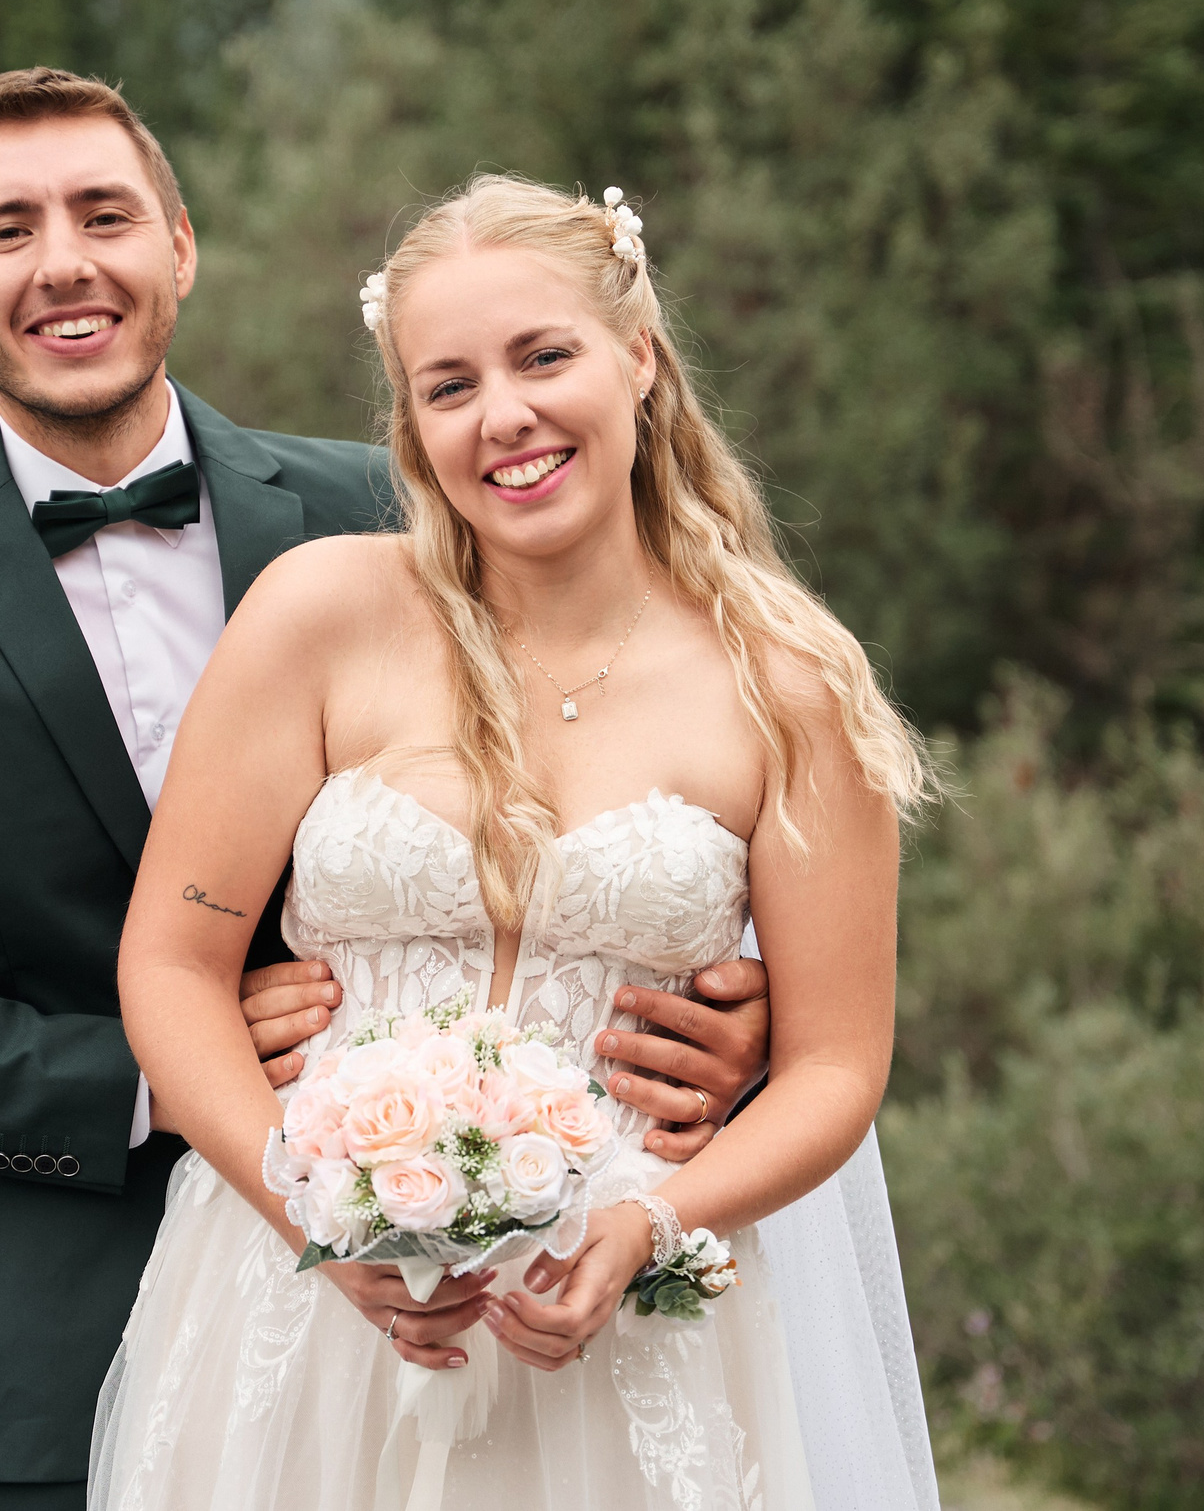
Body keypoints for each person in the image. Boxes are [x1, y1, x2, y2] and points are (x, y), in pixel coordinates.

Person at [0, 72, 770, 1511]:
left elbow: (613, 773)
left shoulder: (399, 512)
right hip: (30, 1344)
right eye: (7, 231)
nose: (64, 261)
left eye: (104, 214)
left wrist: (723, 999)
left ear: (179, 248)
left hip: (448, 1329)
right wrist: (151, 1085)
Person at [89, 174, 935, 1509]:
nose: (506, 416)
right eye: (449, 385)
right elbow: (171, 968)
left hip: (623, 1312)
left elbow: (838, 1065)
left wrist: (643, 1225)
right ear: (412, 426)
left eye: (545, 356)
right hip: (304, 1293)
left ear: (640, 356)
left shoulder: (787, 684)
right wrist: (302, 1197)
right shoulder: (318, 615)